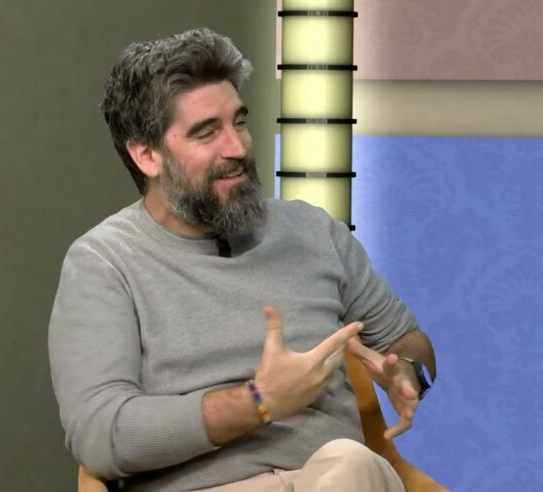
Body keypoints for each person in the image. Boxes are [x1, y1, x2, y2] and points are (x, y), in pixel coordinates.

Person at [48, 27, 436, 492]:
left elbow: (406, 339)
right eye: (207, 132)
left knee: (350, 463)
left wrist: (408, 372)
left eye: (239, 122)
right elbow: (101, 435)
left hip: (340, 477)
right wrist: (260, 400)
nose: (237, 148)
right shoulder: (104, 263)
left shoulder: (313, 231)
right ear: (147, 155)